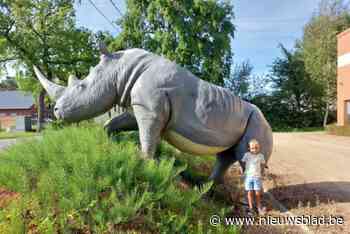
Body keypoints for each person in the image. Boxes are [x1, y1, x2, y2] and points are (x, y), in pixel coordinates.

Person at [241, 139, 267, 215]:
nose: (254, 149)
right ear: (249, 148)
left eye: (256, 147)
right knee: (249, 192)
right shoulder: (247, 155)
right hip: (248, 177)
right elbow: (243, 163)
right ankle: (251, 207)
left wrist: (264, 171)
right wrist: (243, 171)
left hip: (257, 177)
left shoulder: (261, 156)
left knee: (257, 193)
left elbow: (263, 164)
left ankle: (259, 206)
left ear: (259, 148)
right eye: (252, 148)